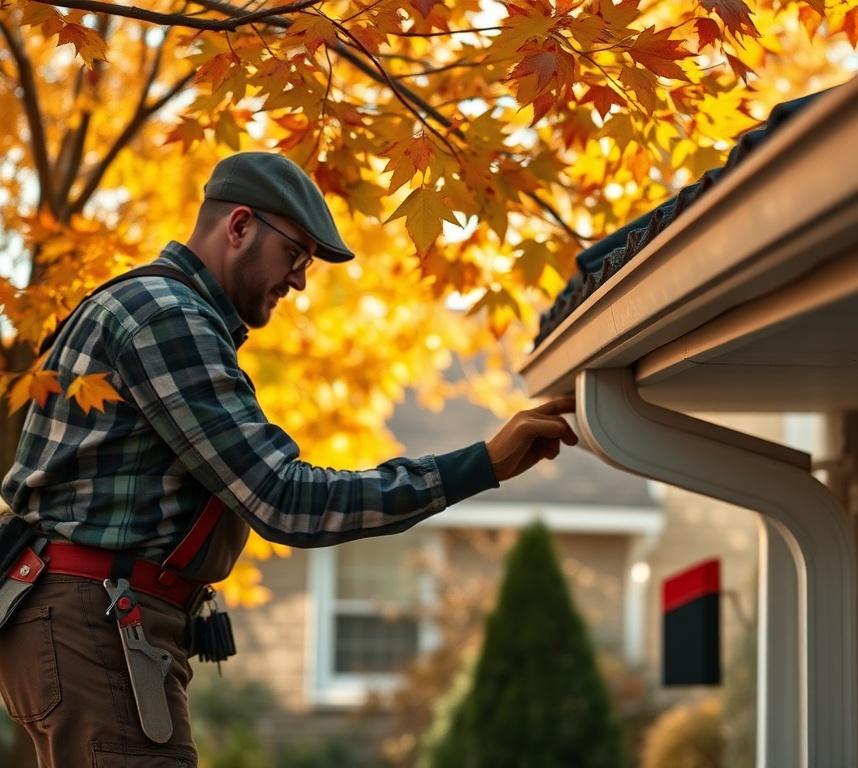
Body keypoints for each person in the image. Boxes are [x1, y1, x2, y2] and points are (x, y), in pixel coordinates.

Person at [0, 152, 578, 767]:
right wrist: (480, 464)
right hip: (95, 619)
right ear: (240, 226)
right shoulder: (166, 317)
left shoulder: (158, 310)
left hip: (83, 616)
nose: (300, 281)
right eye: (295, 255)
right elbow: (284, 498)